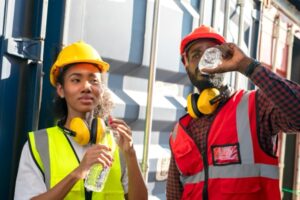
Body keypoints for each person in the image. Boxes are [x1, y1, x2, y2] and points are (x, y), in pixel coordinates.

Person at [166, 24, 300, 200]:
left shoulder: (256, 106)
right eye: (196, 55)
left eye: (211, 53)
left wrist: (246, 65)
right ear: (186, 64)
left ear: (224, 57)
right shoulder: (180, 132)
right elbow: (174, 195)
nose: (204, 61)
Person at [14, 41, 148, 200]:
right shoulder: (38, 145)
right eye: (76, 80)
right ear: (61, 90)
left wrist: (131, 155)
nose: (86, 87)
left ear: (101, 89)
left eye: (94, 80)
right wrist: (78, 173)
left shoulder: (118, 142)